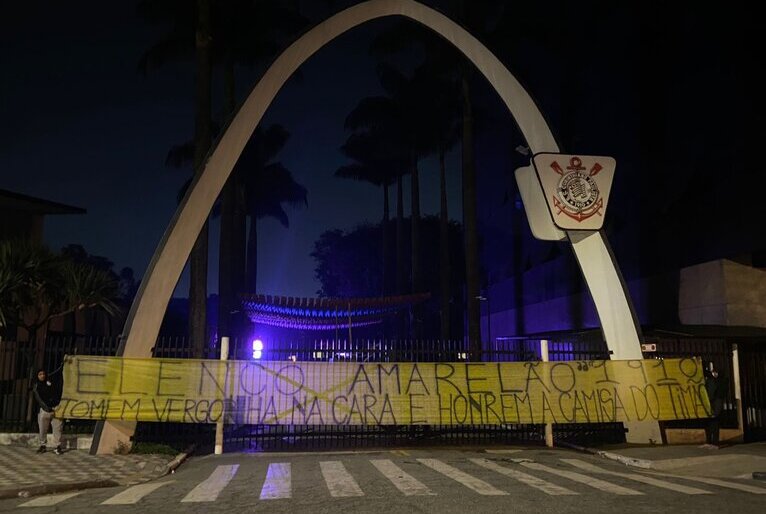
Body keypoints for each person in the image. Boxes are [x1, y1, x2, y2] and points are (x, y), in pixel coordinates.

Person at [32, 368, 63, 455]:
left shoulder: (50, 383)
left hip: (56, 409)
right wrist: (47, 408)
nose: (42, 376)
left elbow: (57, 393)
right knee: (43, 429)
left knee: (58, 428)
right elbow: (39, 399)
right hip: (44, 411)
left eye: (43, 374)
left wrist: (56, 405)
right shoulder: (37, 385)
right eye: (40, 374)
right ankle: (42, 445)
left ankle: (57, 446)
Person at [703, 362, 728, 449]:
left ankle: (715, 443)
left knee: (715, 422)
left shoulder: (722, 381)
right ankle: (709, 441)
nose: (714, 373)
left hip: (717, 402)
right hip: (709, 402)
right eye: (713, 372)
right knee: (708, 423)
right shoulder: (710, 380)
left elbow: (721, 394)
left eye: (716, 372)